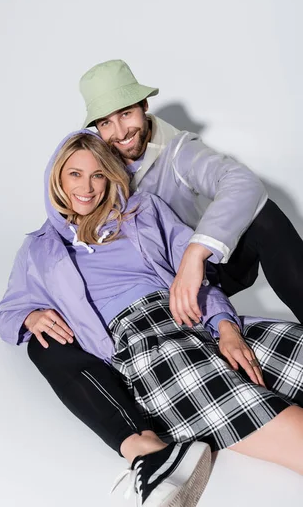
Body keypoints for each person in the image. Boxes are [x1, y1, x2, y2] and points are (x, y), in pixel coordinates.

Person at [0, 131, 303, 507]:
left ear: (110, 176)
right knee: (277, 422)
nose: (86, 187)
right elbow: (6, 312)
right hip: (145, 344)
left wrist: (225, 326)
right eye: (74, 174)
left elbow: (194, 279)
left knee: (291, 346)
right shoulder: (39, 249)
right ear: (56, 179)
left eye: (97, 175)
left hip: (191, 315)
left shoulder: (145, 211)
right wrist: (31, 315)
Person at [25, 59, 303, 464]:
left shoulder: (175, 156)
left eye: (126, 113)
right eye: (106, 122)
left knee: (264, 216)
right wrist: (34, 311)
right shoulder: (70, 209)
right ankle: (139, 437)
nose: (120, 132)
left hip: (202, 273)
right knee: (45, 343)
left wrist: (196, 256)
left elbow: (242, 183)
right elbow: (22, 297)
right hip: (153, 313)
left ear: (144, 107)